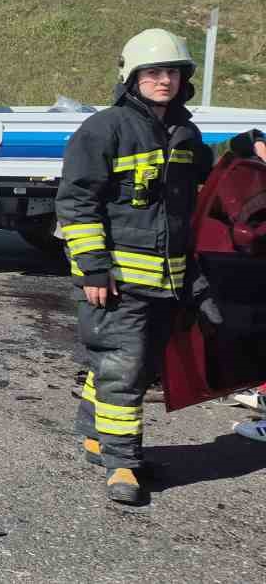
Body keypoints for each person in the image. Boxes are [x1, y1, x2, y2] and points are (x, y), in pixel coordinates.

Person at [57, 28, 265, 505]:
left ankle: (96, 438)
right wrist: (92, 269)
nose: (164, 79)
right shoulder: (104, 128)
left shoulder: (185, 134)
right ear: (132, 77)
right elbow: (76, 202)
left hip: (170, 283)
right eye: (153, 71)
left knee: (124, 366)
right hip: (120, 281)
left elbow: (209, 176)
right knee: (124, 371)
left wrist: (246, 144)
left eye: (172, 71)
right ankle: (123, 465)